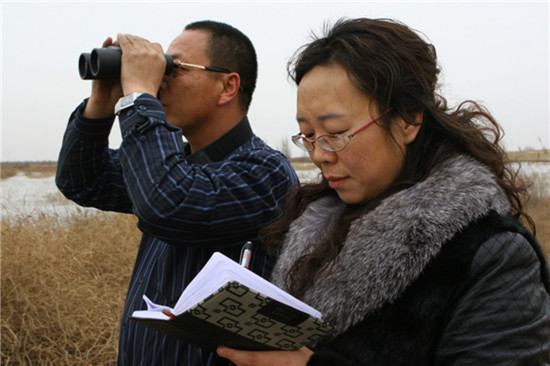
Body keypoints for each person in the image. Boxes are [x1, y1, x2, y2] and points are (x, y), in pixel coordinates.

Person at [216, 18, 550, 366]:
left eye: (335, 132)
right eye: (308, 135)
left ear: (408, 120)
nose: (318, 155)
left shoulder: (491, 254)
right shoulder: (314, 228)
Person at [56, 20, 298, 365]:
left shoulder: (265, 172)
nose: (162, 81)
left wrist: (139, 94)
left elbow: (168, 204)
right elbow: (82, 180)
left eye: (175, 67)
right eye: (162, 67)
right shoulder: (171, 166)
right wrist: (102, 102)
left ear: (227, 86)